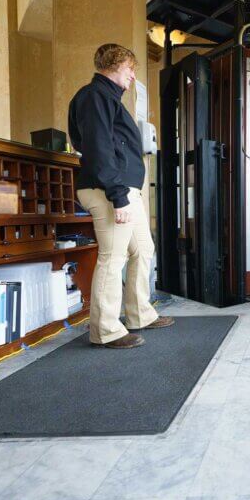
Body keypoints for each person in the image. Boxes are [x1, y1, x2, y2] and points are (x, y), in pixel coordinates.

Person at [69, 43, 173, 349]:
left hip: (124, 188)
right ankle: (105, 330)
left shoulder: (108, 99)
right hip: (108, 190)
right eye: (130, 69)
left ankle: (139, 314)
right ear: (115, 64)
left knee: (143, 249)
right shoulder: (94, 96)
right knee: (112, 258)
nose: (132, 76)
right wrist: (118, 196)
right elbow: (98, 149)